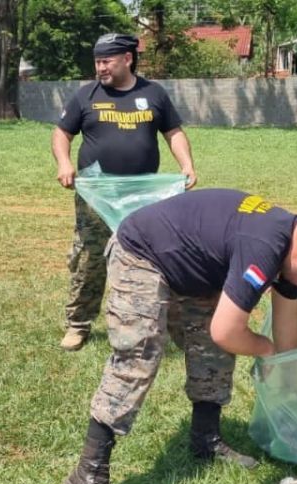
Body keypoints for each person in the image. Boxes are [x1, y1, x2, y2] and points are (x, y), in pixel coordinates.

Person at [63, 189, 297, 484]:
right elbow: (228, 331)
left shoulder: (292, 246)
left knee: (212, 348)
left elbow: (287, 317)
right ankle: (88, 472)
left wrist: (289, 372)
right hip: (142, 254)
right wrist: (266, 349)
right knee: (140, 353)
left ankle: (206, 438)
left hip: (192, 266)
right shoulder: (264, 247)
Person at [51, 33, 197, 352]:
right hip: (97, 195)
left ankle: (166, 324)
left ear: (127, 59)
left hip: (144, 196)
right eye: (97, 62)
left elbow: (173, 132)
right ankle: (78, 325)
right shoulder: (85, 95)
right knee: (89, 257)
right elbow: (62, 133)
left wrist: (187, 165)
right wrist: (64, 162)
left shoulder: (153, 93)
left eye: (107, 61)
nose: (100, 68)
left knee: (153, 258)